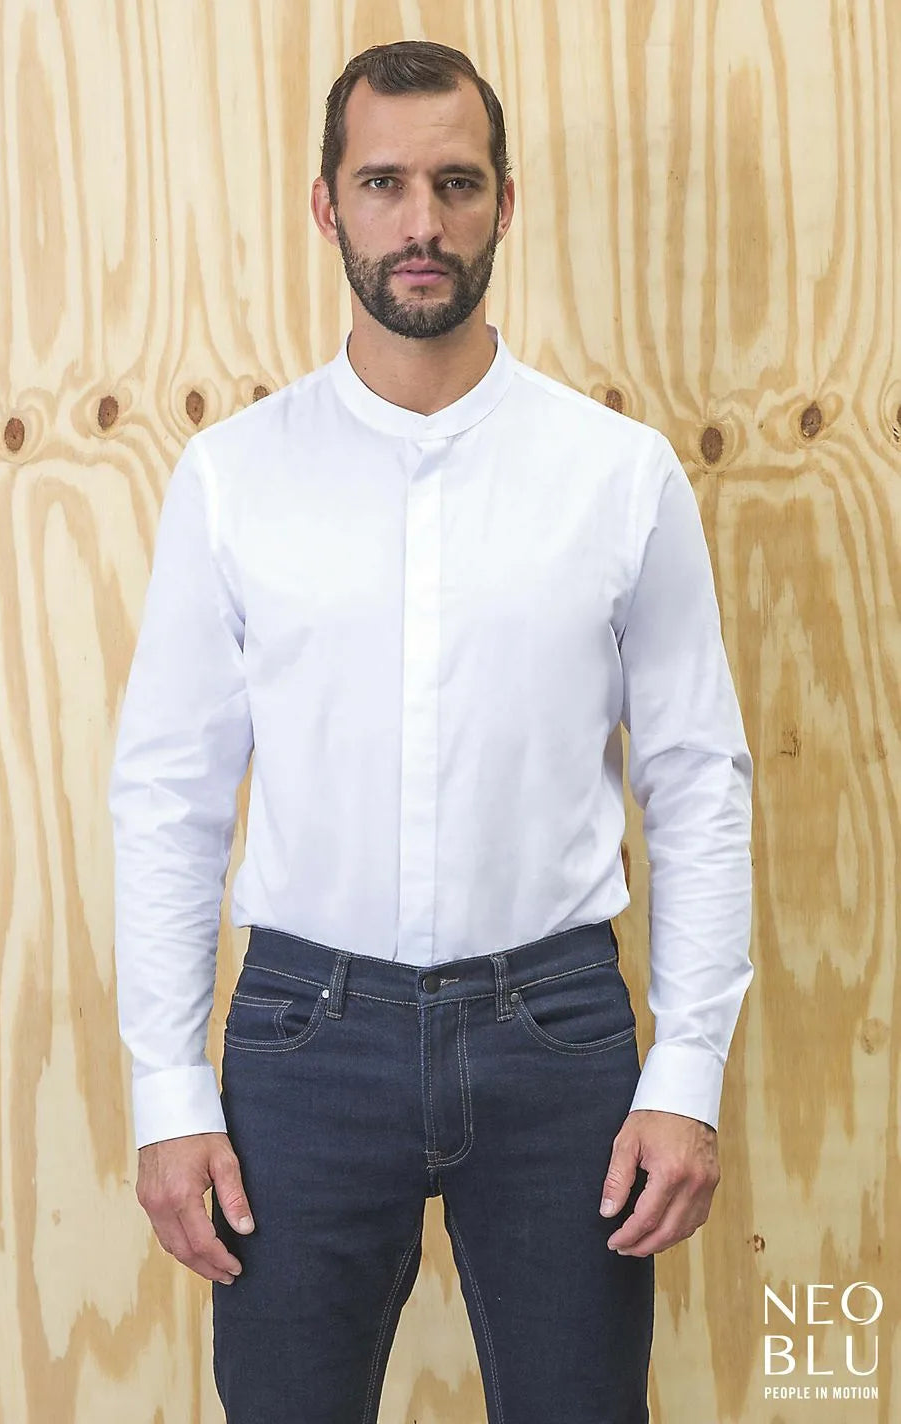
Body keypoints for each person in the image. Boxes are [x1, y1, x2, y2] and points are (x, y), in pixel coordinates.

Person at [108, 38, 753, 1424]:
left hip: (558, 1038)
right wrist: (168, 1089)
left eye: (456, 184)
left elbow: (698, 781)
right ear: (326, 205)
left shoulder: (617, 478)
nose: (421, 222)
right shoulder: (233, 480)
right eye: (383, 183)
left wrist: (688, 1068)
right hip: (305, 1041)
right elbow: (168, 794)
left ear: (504, 202)